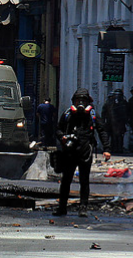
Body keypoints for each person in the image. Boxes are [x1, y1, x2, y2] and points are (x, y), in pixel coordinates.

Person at [54, 88, 111, 217]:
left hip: (86, 152)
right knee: (66, 180)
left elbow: (102, 131)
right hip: (69, 152)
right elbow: (58, 129)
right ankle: (62, 208)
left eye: (83, 100)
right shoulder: (68, 114)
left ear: (87, 102)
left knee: (84, 181)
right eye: (78, 100)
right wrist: (62, 137)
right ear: (73, 101)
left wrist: (107, 149)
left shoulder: (93, 115)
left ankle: (83, 208)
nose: (80, 103)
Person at [102, 88, 128, 153]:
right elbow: (104, 112)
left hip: (118, 122)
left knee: (118, 135)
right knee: (114, 135)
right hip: (112, 121)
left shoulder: (123, 102)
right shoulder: (110, 102)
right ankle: (115, 148)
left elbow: (127, 111)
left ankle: (118, 148)